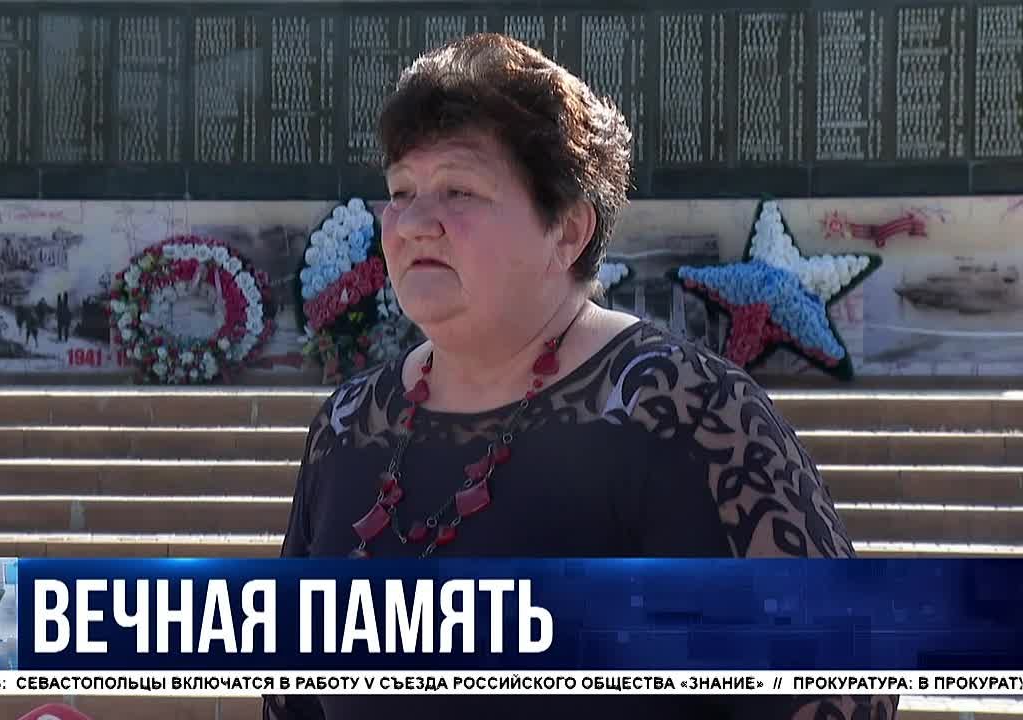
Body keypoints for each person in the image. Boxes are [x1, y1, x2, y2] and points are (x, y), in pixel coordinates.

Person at [266, 34, 898, 720]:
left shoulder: (688, 414)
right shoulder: (347, 426)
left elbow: (847, 683)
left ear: (567, 230)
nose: (413, 223)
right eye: (400, 191)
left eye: (458, 190)